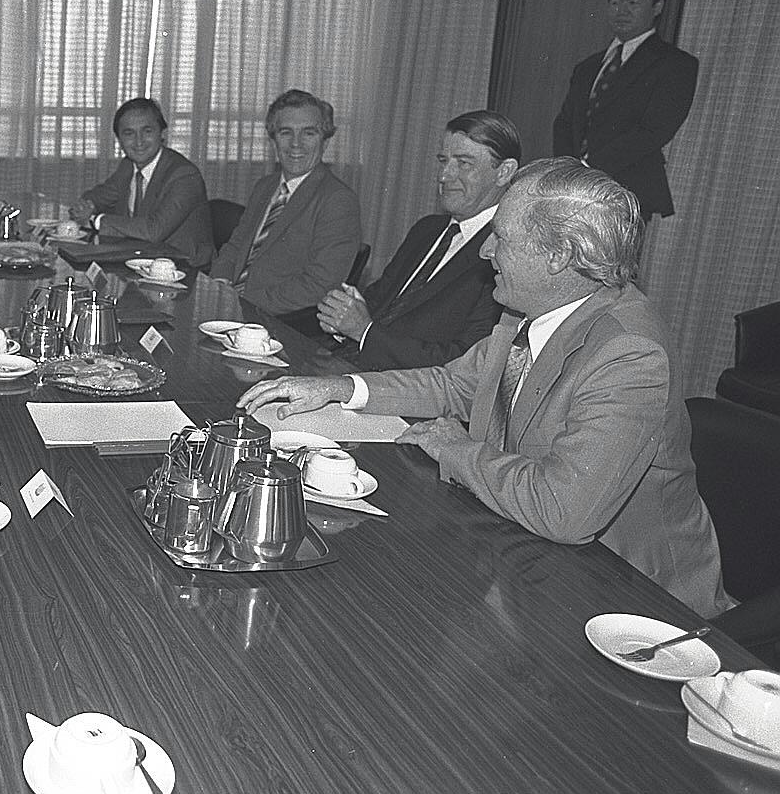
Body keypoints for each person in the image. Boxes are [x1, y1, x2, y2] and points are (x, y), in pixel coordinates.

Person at [239, 158, 731, 618]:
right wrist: (339, 387)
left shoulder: (629, 354)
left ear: (558, 256)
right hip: (527, 555)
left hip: (632, 603)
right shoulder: (526, 309)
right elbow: (453, 383)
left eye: (501, 237)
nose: (485, 250)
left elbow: (563, 510)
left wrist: (455, 446)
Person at [316, 110, 519, 370]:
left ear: (504, 172)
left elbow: (463, 363)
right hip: (349, 365)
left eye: (464, 163)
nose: (444, 176)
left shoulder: (503, 253)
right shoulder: (427, 229)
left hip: (406, 394)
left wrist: (363, 331)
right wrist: (342, 317)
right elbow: (378, 302)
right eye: (443, 160)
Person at [551, 0, 699, 220]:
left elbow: (654, 130)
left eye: (633, 2)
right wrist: (568, 171)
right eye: (615, 2)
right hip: (573, 188)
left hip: (626, 190)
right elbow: (565, 122)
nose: (622, 11)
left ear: (657, 7)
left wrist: (588, 168)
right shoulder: (588, 66)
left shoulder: (675, 64)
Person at [211, 89, 362, 331]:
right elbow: (235, 246)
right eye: (285, 132)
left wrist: (240, 300)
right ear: (273, 139)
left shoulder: (338, 201)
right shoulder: (265, 186)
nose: (295, 144)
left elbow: (318, 285)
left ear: (325, 140)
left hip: (278, 324)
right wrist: (218, 284)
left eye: (308, 133)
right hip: (232, 309)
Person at [69, 96, 213, 268]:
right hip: (141, 261)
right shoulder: (128, 165)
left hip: (183, 269)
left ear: (162, 133)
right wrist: (88, 205)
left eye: (147, 131)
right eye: (129, 133)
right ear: (119, 140)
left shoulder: (184, 176)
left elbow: (154, 230)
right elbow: (101, 195)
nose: (138, 142)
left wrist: (96, 220)